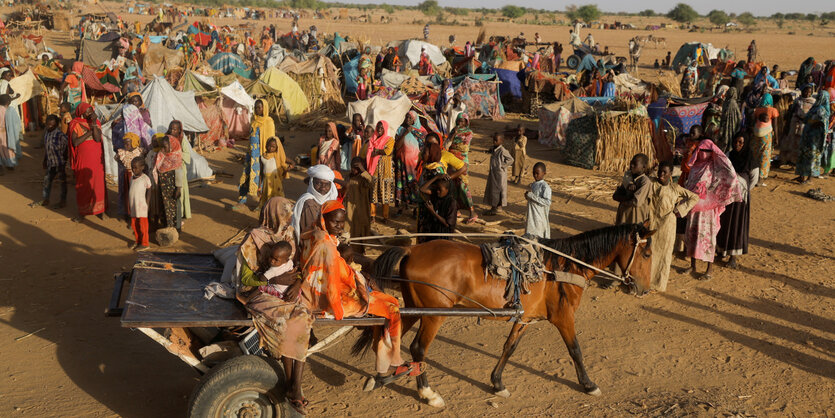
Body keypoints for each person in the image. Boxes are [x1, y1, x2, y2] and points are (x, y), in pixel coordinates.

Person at [238, 197, 312, 415]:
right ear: (271, 215)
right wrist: (273, 280)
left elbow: (298, 267)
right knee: (283, 321)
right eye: (284, 215)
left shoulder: (289, 235)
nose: (287, 220)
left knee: (303, 317)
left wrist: (297, 282)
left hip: (286, 291)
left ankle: (294, 384)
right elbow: (245, 280)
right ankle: (293, 386)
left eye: (288, 216)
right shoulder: (254, 237)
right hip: (259, 292)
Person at [682, 140, 744, 280]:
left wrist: (715, 199)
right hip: (694, 209)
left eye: (707, 152)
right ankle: (693, 265)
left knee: (708, 239)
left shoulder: (715, 167)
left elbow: (730, 177)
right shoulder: (695, 167)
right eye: (701, 151)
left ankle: (709, 270)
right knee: (692, 236)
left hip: (708, 211)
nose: (703, 154)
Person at [647, 161, 698, 292]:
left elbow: (694, 197)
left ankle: (658, 285)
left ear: (670, 174)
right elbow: (643, 177)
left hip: (667, 226)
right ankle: (646, 281)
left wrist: (680, 210)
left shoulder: (675, 188)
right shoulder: (652, 183)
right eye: (660, 171)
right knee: (650, 252)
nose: (661, 174)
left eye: (665, 172)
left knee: (664, 254)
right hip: (652, 223)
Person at [717, 135, 755, 269]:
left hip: (740, 200)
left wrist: (741, 188)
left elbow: (754, 178)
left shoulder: (750, 158)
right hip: (727, 197)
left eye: (741, 142)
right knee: (724, 223)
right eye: (736, 142)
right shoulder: (729, 155)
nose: (738, 144)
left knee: (736, 226)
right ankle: (721, 251)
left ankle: (733, 257)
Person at [68, 103, 105, 222]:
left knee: (97, 184)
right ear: (82, 113)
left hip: (96, 160)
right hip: (83, 160)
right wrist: (89, 132)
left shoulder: (96, 123)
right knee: (83, 185)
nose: (90, 113)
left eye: (91, 110)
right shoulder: (75, 124)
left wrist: (93, 123)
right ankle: (83, 212)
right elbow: (76, 142)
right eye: (88, 111)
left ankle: (99, 210)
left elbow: (97, 138)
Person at [236, 99, 274, 209]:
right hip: (251, 154)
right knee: (246, 175)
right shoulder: (254, 121)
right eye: (256, 107)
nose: (257, 109)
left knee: (261, 179)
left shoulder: (269, 122)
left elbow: (270, 140)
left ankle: (261, 203)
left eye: (260, 107)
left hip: (261, 155)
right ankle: (241, 200)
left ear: (264, 108)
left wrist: (265, 156)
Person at [292, 164, 339, 239]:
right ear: (312, 183)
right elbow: (313, 232)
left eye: (327, 184)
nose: (323, 187)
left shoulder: (330, 200)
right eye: (318, 183)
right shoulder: (309, 204)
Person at [445, 114, 477, 222]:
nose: (460, 123)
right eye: (458, 121)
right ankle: (456, 210)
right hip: (451, 161)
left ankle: (472, 211)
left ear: (466, 122)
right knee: (453, 185)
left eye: (462, 121)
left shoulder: (469, 133)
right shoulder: (453, 131)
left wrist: (453, 146)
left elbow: (464, 147)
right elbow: (446, 145)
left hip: (462, 162)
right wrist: (453, 135)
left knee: (463, 185)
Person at [794, 91, 831, 183]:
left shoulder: (821, 109)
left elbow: (820, 123)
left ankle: (809, 178)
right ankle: (802, 176)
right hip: (808, 135)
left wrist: (811, 123)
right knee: (804, 154)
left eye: (820, 96)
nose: (818, 97)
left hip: (814, 138)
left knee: (812, 156)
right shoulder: (815, 107)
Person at [394, 111, 427, 209]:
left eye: (410, 118)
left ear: (415, 119)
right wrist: (405, 133)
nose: (407, 120)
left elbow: (424, 148)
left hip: (415, 164)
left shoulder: (422, 132)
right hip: (402, 162)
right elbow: (397, 146)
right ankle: (403, 206)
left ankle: (415, 209)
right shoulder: (400, 129)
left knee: (415, 183)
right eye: (406, 117)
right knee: (403, 183)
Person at [35, 115, 68, 208]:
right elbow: (47, 148)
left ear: (56, 125)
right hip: (50, 163)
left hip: (60, 163)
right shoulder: (47, 134)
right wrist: (45, 160)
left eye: (52, 125)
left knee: (62, 183)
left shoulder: (60, 135)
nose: (49, 127)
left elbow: (67, 144)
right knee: (47, 181)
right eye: (47, 125)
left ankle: (63, 201)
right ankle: (45, 199)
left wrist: (65, 157)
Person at [779, 85, 816, 167]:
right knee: (792, 141)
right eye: (805, 91)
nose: (807, 93)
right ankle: (790, 160)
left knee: (801, 143)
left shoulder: (813, 102)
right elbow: (791, 112)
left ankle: (797, 161)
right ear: (802, 91)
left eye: (809, 92)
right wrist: (787, 125)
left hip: (806, 125)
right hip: (795, 123)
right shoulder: (797, 101)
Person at [366, 121, 395, 223]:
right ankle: (372, 216)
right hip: (374, 170)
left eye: (381, 128)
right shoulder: (372, 139)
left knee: (385, 194)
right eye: (378, 128)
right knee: (373, 193)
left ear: (385, 129)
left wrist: (376, 151)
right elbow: (370, 152)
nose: (379, 130)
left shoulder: (390, 140)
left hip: (385, 170)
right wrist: (378, 151)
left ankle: (385, 217)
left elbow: (387, 151)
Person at [152, 136, 183, 229]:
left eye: (165, 146)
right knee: (163, 207)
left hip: (172, 189)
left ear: (172, 146)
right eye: (162, 146)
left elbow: (178, 174)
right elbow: (156, 168)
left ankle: (175, 227)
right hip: (162, 188)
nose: (162, 149)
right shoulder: (161, 155)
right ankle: (165, 225)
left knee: (173, 208)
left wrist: (178, 188)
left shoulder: (176, 157)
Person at [417, 175, 457, 242]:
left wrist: (433, 212)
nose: (438, 191)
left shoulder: (452, 203)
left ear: (447, 190)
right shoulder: (436, 195)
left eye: (440, 189)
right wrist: (436, 177)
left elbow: (447, 224)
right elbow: (422, 189)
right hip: (431, 231)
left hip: (443, 236)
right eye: (437, 189)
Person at [751, 94, 780, 184]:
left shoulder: (757, 110)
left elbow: (753, 122)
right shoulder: (773, 110)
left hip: (756, 133)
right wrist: (776, 138)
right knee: (765, 155)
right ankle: (761, 177)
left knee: (756, 153)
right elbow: (775, 125)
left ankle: (753, 175)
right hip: (766, 134)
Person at [166, 121, 191, 227]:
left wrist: (176, 153)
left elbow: (187, 155)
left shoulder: (182, 140)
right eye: (171, 128)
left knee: (179, 192)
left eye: (175, 129)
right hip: (168, 170)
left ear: (179, 130)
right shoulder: (166, 138)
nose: (172, 131)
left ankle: (179, 215)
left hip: (179, 169)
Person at [344, 157, 373, 249]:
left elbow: (371, 182)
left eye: (357, 168)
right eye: (352, 167)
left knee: (362, 232)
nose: (354, 170)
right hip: (349, 210)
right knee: (348, 231)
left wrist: (363, 170)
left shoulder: (364, 179)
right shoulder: (348, 178)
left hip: (362, 210)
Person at [614, 154, 650, 225]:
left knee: (633, 233)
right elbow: (617, 194)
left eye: (635, 164)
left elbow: (636, 202)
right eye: (631, 163)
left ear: (643, 166)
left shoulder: (645, 181)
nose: (632, 165)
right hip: (624, 213)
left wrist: (623, 199)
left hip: (636, 216)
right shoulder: (628, 176)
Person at [484, 133, 514, 216]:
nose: (494, 142)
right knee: (493, 190)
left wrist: (502, 166)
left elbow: (511, 160)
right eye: (493, 140)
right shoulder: (494, 149)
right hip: (493, 173)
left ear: (501, 141)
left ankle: (496, 208)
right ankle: (496, 207)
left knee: (498, 190)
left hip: (500, 175)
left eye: (496, 140)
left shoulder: (503, 151)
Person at [116, 133, 145, 219]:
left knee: (136, 195)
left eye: (127, 144)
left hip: (137, 177)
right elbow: (117, 159)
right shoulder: (122, 153)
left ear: (134, 143)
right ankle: (128, 213)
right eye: (124, 143)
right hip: (127, 176)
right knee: (127, 195)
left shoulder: (139, 152)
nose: (125, 145)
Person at [128, 157, 152, 251]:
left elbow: (149, 190)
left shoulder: (145, 178)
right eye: (132, 167)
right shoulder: (131, 178)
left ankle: (145, 243)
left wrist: (147, 203)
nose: (134, 170)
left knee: (143, 226)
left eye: (136, 168)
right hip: (134, 206)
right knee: (135, 225)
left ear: (142, 167)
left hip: (142, 207)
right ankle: (138, 241)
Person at [260, 137, 291, 206]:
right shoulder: (262, 157)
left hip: (276, 180)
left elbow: (286, 160)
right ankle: (268, 210)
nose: (270, 148)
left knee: (278, 195)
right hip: (266, 180)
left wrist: (292, 165)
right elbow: (261, 172)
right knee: (267, 195)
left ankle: (278, 209)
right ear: (265, 145)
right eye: (269, 146)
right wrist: (259, 186)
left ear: (277, 148)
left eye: (273, 147)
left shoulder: (277, 156)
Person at [525, 162, 552, 239]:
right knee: (530, 236)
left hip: (539, 217)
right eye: (534, 173)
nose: (535, 175)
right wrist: (527, 196)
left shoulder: (545, 187)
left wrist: (532, 196)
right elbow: (533, 199)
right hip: (531, 215)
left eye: (537, 173)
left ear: (544, 173)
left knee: (539, 237)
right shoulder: (533, 184)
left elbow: (547, 202)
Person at [716, 87, 742, 153]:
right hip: (732, 125)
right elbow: (739, 117)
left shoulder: (729, 102)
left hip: (727, 125)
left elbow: (725, 115)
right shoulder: (732, 103)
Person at [0, 95, 19, 173]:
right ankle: (10, 164)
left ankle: (1, 166)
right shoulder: (9, 110)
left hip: (2, 132)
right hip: (6, 133)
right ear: (8, 102)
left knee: (1, 150)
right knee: (8, 148)